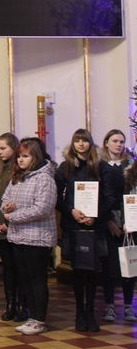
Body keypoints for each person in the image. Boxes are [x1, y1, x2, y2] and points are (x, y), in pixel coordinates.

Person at [55, 129, 117, 333]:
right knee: (77, 272)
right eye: (77, 141)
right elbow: (56, 198)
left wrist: (96, 216)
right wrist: (71, 211)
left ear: (90, 143)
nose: (81, 144)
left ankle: (90, 312)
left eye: (84, 141)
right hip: (73, 225)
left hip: (94, 226)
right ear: (73, 144)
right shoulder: (66, 167)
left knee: (91, 272)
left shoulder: (101, 167)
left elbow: (110, 198)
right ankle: (79, 313)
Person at [1, 139, 57, 335]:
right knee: (25, 278)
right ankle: (31, 317)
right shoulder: (18, 177)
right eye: (19, 156)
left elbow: (42, 208)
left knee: (37, 279)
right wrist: (7, 207)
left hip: (37, 237)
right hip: (18, 236)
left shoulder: (44, 178)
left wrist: (13, 216)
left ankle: (40, 319)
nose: (21, 160)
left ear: (35, 157)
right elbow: (5, 199)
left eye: (25, 156)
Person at [0, 133, 23, 321]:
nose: (0, 152)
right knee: (8, 269)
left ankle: (22, 304)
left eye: (3, 148)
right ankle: (10, 303)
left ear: (14, 148)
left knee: (20, 268)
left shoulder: (20, 169)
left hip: (16, 226)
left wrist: (9, 222)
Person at [100, 129, 131, 322]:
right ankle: (109, 306)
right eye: (115, 141)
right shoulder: (100, 165)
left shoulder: (131, 165)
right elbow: (100, 197)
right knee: (109, 266)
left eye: (121, 141)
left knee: (129, 264)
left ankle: (128, 306)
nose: (118, 145)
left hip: (129, 220)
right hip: (108, 219)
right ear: (106, 143)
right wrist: (109, 222)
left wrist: (131, 220)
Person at [118, 159, 137, 322]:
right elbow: (125, 202)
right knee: (131, 270)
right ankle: (128, 305)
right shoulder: (130, 175)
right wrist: (125, 221)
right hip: (133, 229)